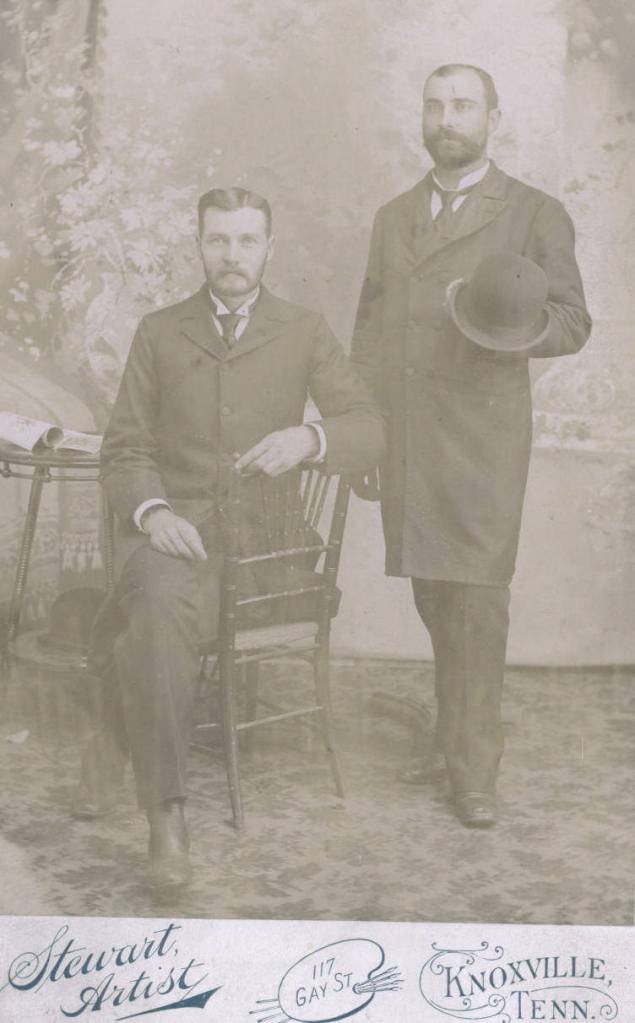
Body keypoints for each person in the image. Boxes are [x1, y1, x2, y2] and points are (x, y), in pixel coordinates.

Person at [74, 187, 385, 889]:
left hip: (267, 550)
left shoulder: (303, 329)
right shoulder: (160, 330)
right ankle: (166, 819)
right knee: (157, 601)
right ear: (199, 246)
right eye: (218, 240)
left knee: (141, 616)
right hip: (179, 536)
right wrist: (154, 513)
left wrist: (309, 437)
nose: (232, 255)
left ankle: (111, 735)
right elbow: (124, 448)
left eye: (246, 241)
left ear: (269, 248)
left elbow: (369, 428)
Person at [350, 64, 591, 828]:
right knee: (432, 594)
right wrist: (363, 432)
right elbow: (368, 327)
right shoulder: (393, 217)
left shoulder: (534, 212)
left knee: (477, 604)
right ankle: (452, 738)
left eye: (462, 105)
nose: (446, 119)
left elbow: (572, 320)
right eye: (434, 105)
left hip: (482, 444)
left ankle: (474, 768)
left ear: (493, 118)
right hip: (408, 437)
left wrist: (506, 326)